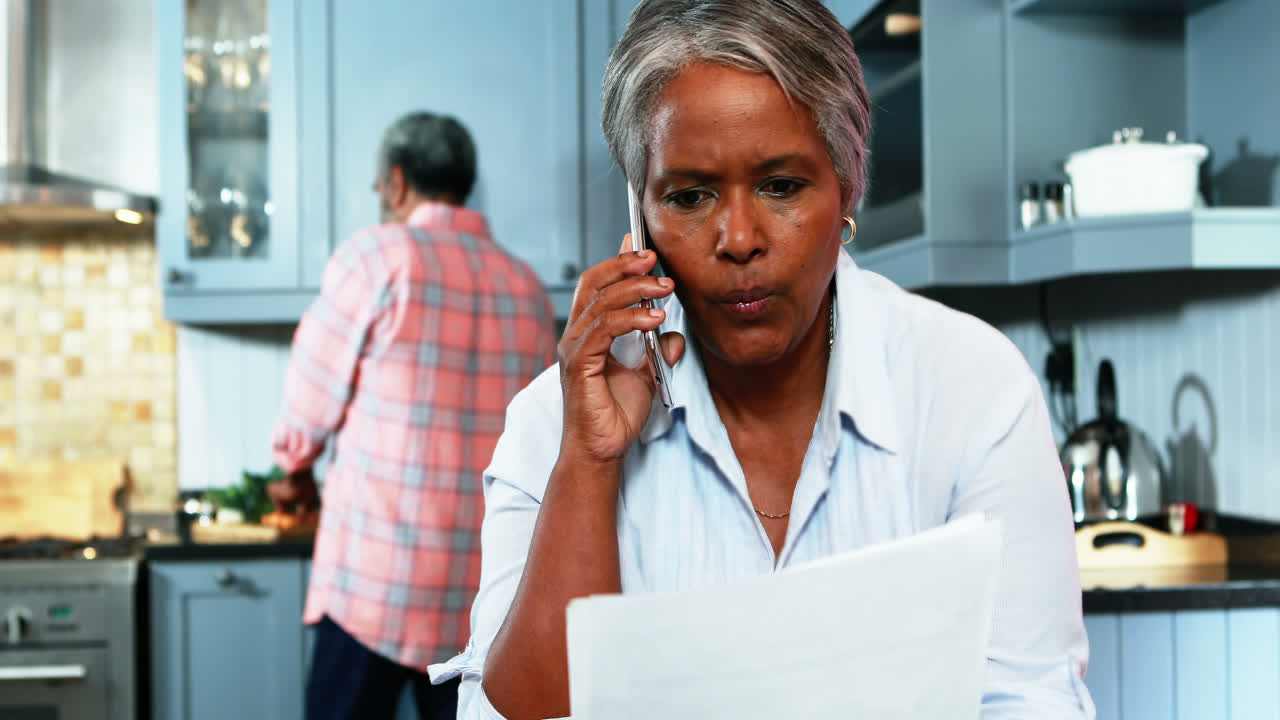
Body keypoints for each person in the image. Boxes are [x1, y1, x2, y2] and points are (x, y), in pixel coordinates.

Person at [429, 1, 1095, 718]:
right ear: (639, 216)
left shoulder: (970, 389)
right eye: (689, 196)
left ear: (847, 186)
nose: (739, 238)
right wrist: (590, 462)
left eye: (781, 186)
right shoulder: (553, 423)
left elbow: (1031, 701)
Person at [269, 111, 558, 720]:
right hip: (479, 598)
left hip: (375, 588)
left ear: (397, 183)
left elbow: (309, 398)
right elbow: (541, 437)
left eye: (380, 191)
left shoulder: (377, 257)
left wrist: (292, 467)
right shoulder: (526, 287)